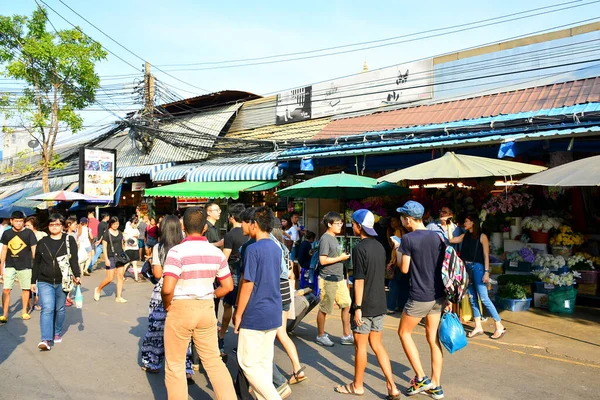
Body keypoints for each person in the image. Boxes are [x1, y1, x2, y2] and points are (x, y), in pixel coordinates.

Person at [161, 207, 236, 400]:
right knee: (213, 361)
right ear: (204, 228)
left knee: (175, 365)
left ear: (183, 227)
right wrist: (211, 295)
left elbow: (168, 288)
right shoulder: (216, 253)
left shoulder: (176, 252)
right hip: (206, 309)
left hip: (180, 308)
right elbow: (228, 285)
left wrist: (167, 304)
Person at [334, 210, 401, 399]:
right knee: (377, 344)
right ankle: (392, 386)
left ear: (359, 226)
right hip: (380, 302)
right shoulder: (380, 247)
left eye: (353, 223)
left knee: (360, 346)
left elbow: (360, 280)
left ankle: (357, 386)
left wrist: (358, 307)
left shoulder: (359, 248)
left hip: (365, 304)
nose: (352, 226)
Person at [396, 201, 447, 399]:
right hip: (438, 296)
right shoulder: (438, 237)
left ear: (408, 219)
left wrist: (399, 250)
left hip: (419, 296)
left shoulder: (408, 239)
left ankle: (421, 377)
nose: (401, 220)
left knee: (404, 333)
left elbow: (404, 268)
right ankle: (436, 384)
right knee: (433, 339)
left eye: (402, 217)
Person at [234, 206, 283, 400]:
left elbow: (248, 283)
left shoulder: (253, 249)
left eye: (247, 222)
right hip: (273, 310)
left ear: (254, 224)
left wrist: (239, 313)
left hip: (255, 312)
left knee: (248, 364)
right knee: (263, 363)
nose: (244, 226)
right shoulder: (276, 247)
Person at [140, 215, 194, 382]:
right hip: (184, 290)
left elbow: (157, 274)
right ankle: (185, 367)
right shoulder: (186, 247)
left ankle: (153, 362)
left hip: (164, 290)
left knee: (157, 329)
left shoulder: (159, 247)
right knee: (183, 332)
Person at [449, 213, 506, 340]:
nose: (465, 223)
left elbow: (486, 255)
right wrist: (447, 224)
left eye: (467, 221)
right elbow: (451, 240)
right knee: (472, 298)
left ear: (473, 223)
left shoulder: (482, 236)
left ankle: (499, 325)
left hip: (478, 268)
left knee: (484, 298)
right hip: (467, 268)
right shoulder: (465, 236)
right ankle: (478, 326)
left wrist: (487, 272)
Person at [31, 213, 81, 350]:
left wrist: (77, 275)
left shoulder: (69, 240)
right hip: (44, 280)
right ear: (48, 226)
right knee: (47, 308)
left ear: (62, 225)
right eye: (51, 224)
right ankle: (46, 339)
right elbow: (36, 263)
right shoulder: (42, 242)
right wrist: (33, 281)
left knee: (60, 309)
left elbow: (74, 260)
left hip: (63, 281)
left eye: (57, 224)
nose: (54, 227)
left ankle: (57, 332)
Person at [315, 211, 353, 347]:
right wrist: (340, 258)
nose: (340, 225)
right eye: (337, 223)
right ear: (329, 224)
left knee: (346, 305)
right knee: (325, 308)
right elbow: (323, 260)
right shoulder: (325, 238)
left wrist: (342, 257)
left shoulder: (334, 238)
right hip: (328, 278)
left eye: (341, 223)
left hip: (339, 278)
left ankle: (347, 335)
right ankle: (320, 335)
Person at [218, 203, 248, 355]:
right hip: (247, 275)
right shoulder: (249, 233)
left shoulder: (230, 235)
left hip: (234, 274)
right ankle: (242, 343)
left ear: (231, 218)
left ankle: (221, 337)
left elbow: (225, 258)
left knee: (228, 306)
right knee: (241, 308)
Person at [1, 211, 38, 322]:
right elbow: (4, 249)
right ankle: (5, 314)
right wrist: (1, 265)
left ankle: (24, 312)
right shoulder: (7, 233)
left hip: (25, 265)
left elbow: (34, 249)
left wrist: (36, 264)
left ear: (24, 222)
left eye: (21, 221)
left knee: (25, 289)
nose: (18, 223)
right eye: (16, 221)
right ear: (11, 221)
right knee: (6, 289)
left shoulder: (29, 233)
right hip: (10, 265)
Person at [95, 216, 128, 303]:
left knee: (120, 276)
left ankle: (119, 297)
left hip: (120, 256)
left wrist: (124, 253)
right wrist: (106, 259)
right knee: (110, 278)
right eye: (114, 224)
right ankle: (98, 289)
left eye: (117, 224)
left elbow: (122, 244)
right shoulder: (106, 234)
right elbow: (104, 247)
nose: (116, 226)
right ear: (110, 224)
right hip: (111, 256)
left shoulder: (120, 233)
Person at [387, 216, 409, 314]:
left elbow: (396, 247)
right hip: (402, 261)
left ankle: (391, 306)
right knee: (402, 285)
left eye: (394, 220)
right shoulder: (402, 231)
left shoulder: (398, 232)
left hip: (397, 262)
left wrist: (392, 261)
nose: (392, 222)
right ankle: (401, 305)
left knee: (394, 285)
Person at [124, 215, 142, 282]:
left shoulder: (136, 230)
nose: (135, 225)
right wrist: (132, 237)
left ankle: (136, 278)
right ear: (131, 222)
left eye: (136, 223)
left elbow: (138, 236)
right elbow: (125, 239)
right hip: (129, 249)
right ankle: (121, 275)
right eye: (134, 223)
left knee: (135, 263)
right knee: (127, 263)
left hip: (135, 248)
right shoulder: (127, 229)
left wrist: (136, 236)